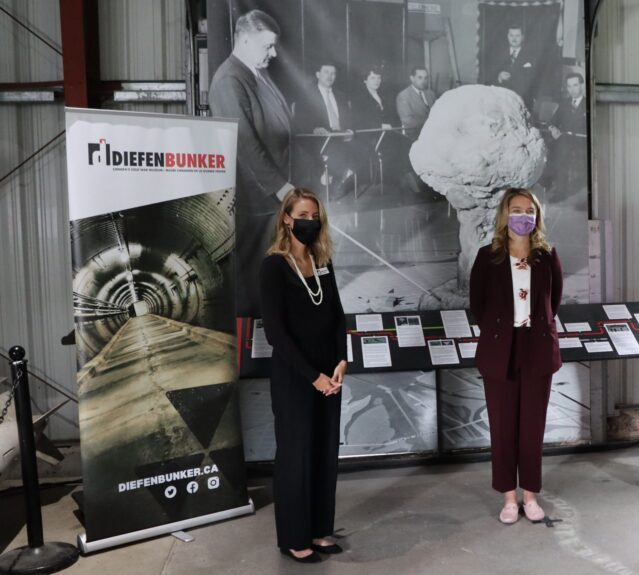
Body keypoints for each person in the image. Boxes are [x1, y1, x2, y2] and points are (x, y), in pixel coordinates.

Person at [259, 188, 348, 563]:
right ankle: (295, 538)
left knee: (324, 451)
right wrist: (313, 376)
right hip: (297, 375)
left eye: (315, 215)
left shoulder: (321, 261)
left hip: (330, 374)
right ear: (286, 218)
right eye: (303, 214)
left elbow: (338, 316)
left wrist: (342, 361)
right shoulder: (273, 266)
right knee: (296, 454)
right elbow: (276, 332)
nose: (309, 220)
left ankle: (318, 528)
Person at [469, 188, 563, 525]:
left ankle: (531, 497)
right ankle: (509, 498)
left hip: (536, 348)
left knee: (532, 427)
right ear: (504, 214)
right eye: (516, 209)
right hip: (500, 350)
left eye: (529, 210)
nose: (523, 216)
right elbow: (478, 305)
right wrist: (502, 332)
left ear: (536, 216)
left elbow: (554, 301)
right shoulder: (487, 256)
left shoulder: (547, 256)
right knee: (503, 426)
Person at [209, 9, 294, 318]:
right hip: (253, 198)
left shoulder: (256, 73)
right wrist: (281, 186)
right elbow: (244, 143)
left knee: (268, 276)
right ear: (245, 40)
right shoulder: (230, 79)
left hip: (268, 197)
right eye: (267, 46)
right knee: (252, 281)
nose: (273, 54)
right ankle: (250, 349)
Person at [295, 62, 359, 194]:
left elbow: (350, 119)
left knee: (357, 144)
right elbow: (300, 119)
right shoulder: (306, 94)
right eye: (326, 72)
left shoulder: (341, 96)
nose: (330, 76)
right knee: (336, 148)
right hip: (319, 137)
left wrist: (350, 130)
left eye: (333, 73)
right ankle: (341, 174)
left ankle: (331, 177)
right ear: (318, 74)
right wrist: (313, 129)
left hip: (341, 136)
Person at [547, 72, 588, 194]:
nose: (572, 90)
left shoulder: (588, 103)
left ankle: (560, 190)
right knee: (549, 147)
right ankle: (550, 184)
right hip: (564, 139)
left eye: (575, 85)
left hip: (582, 140)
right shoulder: (564, 103)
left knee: (561, 150)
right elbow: (552, 121)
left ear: (582, 85)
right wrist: (553, 128)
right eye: (569, 86)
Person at [492, 27, 537, 108]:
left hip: (523, 100)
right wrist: (499, 76)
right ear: (507, 36)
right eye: (511, 35)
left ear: (522, 37)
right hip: (502, 99)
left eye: (517, 36)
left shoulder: (531, 54)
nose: (514, 39)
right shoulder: (498, 53)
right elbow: (490, 74)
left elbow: (534, 79)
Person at [395, 66, 437, 137]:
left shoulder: (431, 94)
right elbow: (408, 121)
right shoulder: (403, 96)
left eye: (425, 78)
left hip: (434, 133)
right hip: (416, 136)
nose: (423, 81)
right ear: (412, 78)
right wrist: (431, 122)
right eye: (420, 77)